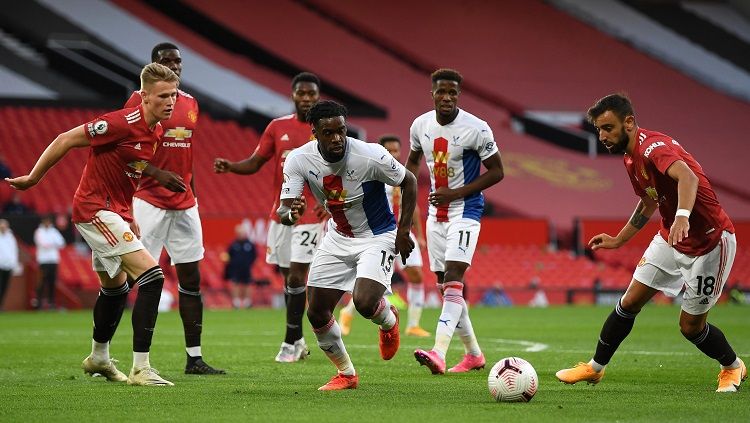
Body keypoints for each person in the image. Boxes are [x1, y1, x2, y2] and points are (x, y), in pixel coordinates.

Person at [555, 93, 746, 393]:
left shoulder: (653, 148)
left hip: (710, 241)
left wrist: (682, 216)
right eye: (599, 130)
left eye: (608, 128)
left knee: (690, 328)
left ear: (629, 122)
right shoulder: (630, 158)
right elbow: (648, 201)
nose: (603, 136)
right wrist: (620, 239)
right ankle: (595, 368)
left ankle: (732, 367)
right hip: (671, 237)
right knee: (629, 302)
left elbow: (688, 178)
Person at [5, 62, 179, 386]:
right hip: (94, 209)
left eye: (174, 95)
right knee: (152, 277)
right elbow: (65, 138)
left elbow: (126, 175)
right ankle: (141, 368)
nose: (170, 102)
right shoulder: (121, 123)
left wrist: (128, 215)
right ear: (143, 96)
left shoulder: (155, 130)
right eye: (163, 96)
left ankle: (99, 358)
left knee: (115, 289)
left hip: (115, 211)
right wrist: (32, 178)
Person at [279, 100, 417, 390]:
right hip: (338, 236)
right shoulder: (298, 160)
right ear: (314, 132)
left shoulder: (371, 155)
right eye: (328, 133)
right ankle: (346, 374)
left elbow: (410, 181)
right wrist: (290, 213)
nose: (337, 138)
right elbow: (285, 209)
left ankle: (388, 320)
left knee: (364, 303)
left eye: (341, 130)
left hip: (378, 235)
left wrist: (404, 231)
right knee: (316, 311)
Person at [124, 42, 224, 375]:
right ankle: (128, 358)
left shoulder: (192, 104)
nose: (174, 65)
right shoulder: (137, 102)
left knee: (191, 279)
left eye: (177, 61)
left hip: (185, 203)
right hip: (149, 200)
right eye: (166, 60)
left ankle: (194, 358)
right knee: (136, 280)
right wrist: (156, 174)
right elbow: (125, 149)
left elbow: (187, 154)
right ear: (152, 65)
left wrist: (193, 194)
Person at [214, 72, 324, 363]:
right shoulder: (278, 127)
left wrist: (330, 202)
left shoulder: (325, 127)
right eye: (301, 93)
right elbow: (256, 162)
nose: (306, 98)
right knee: (289, 279)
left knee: (299, 275)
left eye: (311, 94)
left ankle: (289, 342)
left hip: (311, 214)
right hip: (281, 212)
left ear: (317, 96)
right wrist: (231, 167)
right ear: (293, 95)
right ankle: (299, 339)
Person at [407, 68, 504, 375]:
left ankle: (439, 352)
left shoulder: (477, 128)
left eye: (452, 92)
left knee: (453, 278)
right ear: (432, 93)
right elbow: (412, 162)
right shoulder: (420, 125)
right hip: (436, 215)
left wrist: (457, 192)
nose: (446, 97)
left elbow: (497, 171)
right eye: (441, 91)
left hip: (466, 210)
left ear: (458, 95)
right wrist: (402, 185)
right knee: (446, 287)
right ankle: (474, 355)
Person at [339, 134, 430, 337]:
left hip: (403, 232)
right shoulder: (373, 173)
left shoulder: (402, 174)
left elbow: (412, 205)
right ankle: (347, 313)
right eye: (388, 150)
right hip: (382, 234)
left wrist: (420, 235)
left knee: (416, 275)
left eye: (396, 150)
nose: (393, 154)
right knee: (374, 283)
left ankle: (413, 324)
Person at [33, 216, 65, 310]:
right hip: (43, 260)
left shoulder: (54, 231)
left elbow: (62, 243)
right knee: (42, 282)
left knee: (52, 282)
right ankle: (38, 303)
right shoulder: (39, 231)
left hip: (53, 260)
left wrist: (51, 244)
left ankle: (51, 303)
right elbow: (43, 244)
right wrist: (53, 244)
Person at [225, 224, 258, 309]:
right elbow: (228, 256)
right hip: (235, 269)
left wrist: (249, 263)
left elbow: (254, 256)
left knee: (247, 284)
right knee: (235, 284)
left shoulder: (250, 245)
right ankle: (236, 302)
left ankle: (247, 302)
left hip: (246, 268)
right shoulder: (233, 245)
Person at [0, 219, 19, 310]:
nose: (3, 227)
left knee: (4, 287)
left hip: (8, 265)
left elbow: (14, 250)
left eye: (4, 226)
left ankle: (1, 305)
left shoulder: (10, 237)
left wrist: (14, 264)